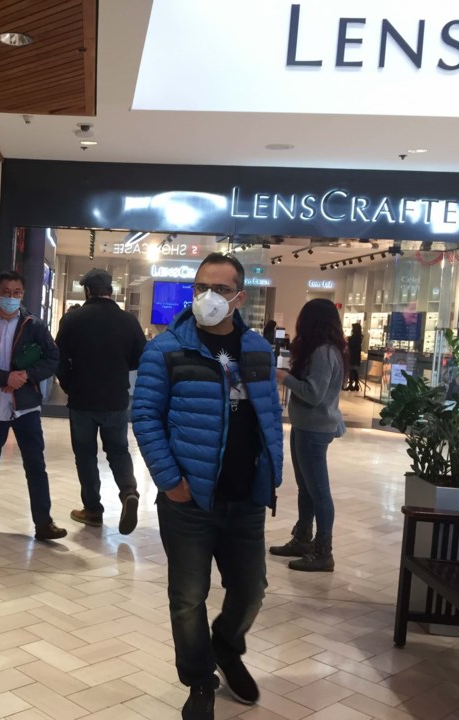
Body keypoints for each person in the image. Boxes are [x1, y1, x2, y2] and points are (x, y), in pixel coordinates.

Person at [132, 253, 283, 720]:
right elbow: (145, 417)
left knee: (251, 589)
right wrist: (170, 481)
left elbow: (269, 416)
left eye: (219, 289)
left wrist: (270, 472)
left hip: (245, 497)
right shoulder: (166, 348)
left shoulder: (258, 349)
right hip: (189, 499)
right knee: (188, 597)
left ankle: (226, 645)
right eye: (201, 288)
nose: (207, 298)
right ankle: (199, 680)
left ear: (239, 297)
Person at [0, 270, 67, 541]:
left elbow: (53, 358)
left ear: (23, 295)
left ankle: (43, 522)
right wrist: (5, 378)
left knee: (36, 465)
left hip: (25, 406)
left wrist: (25, 376)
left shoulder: (33, 324)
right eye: (6, 292)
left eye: (17, 293)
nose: (11, 298)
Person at [55, 268, 146, 534]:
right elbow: (141, 356)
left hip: (82, 399)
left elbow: (58, 358)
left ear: (87, 291)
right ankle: (128, 490)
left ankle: (93, 510)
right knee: (118, 450)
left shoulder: (73, 320)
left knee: (85, 455)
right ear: (112, 291)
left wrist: (69, 383)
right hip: (116, 398)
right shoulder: (128, 321)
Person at [271, 299, 348, 573]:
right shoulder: (322, 350)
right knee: (307, 487)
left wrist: (284, 377)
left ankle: (323, 550)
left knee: (319, 491)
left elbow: (314, 394)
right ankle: (303, 537)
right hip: (305, 426)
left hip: (315, 429)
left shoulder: (324, 353)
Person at [346, 322, 363, 391]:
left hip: (353, 355)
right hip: (356, 355)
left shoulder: (354, 338)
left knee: (351, 369)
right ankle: (355, 384)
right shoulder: (359, 337)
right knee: (354, 370)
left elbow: (351, 345)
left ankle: (351, 384)